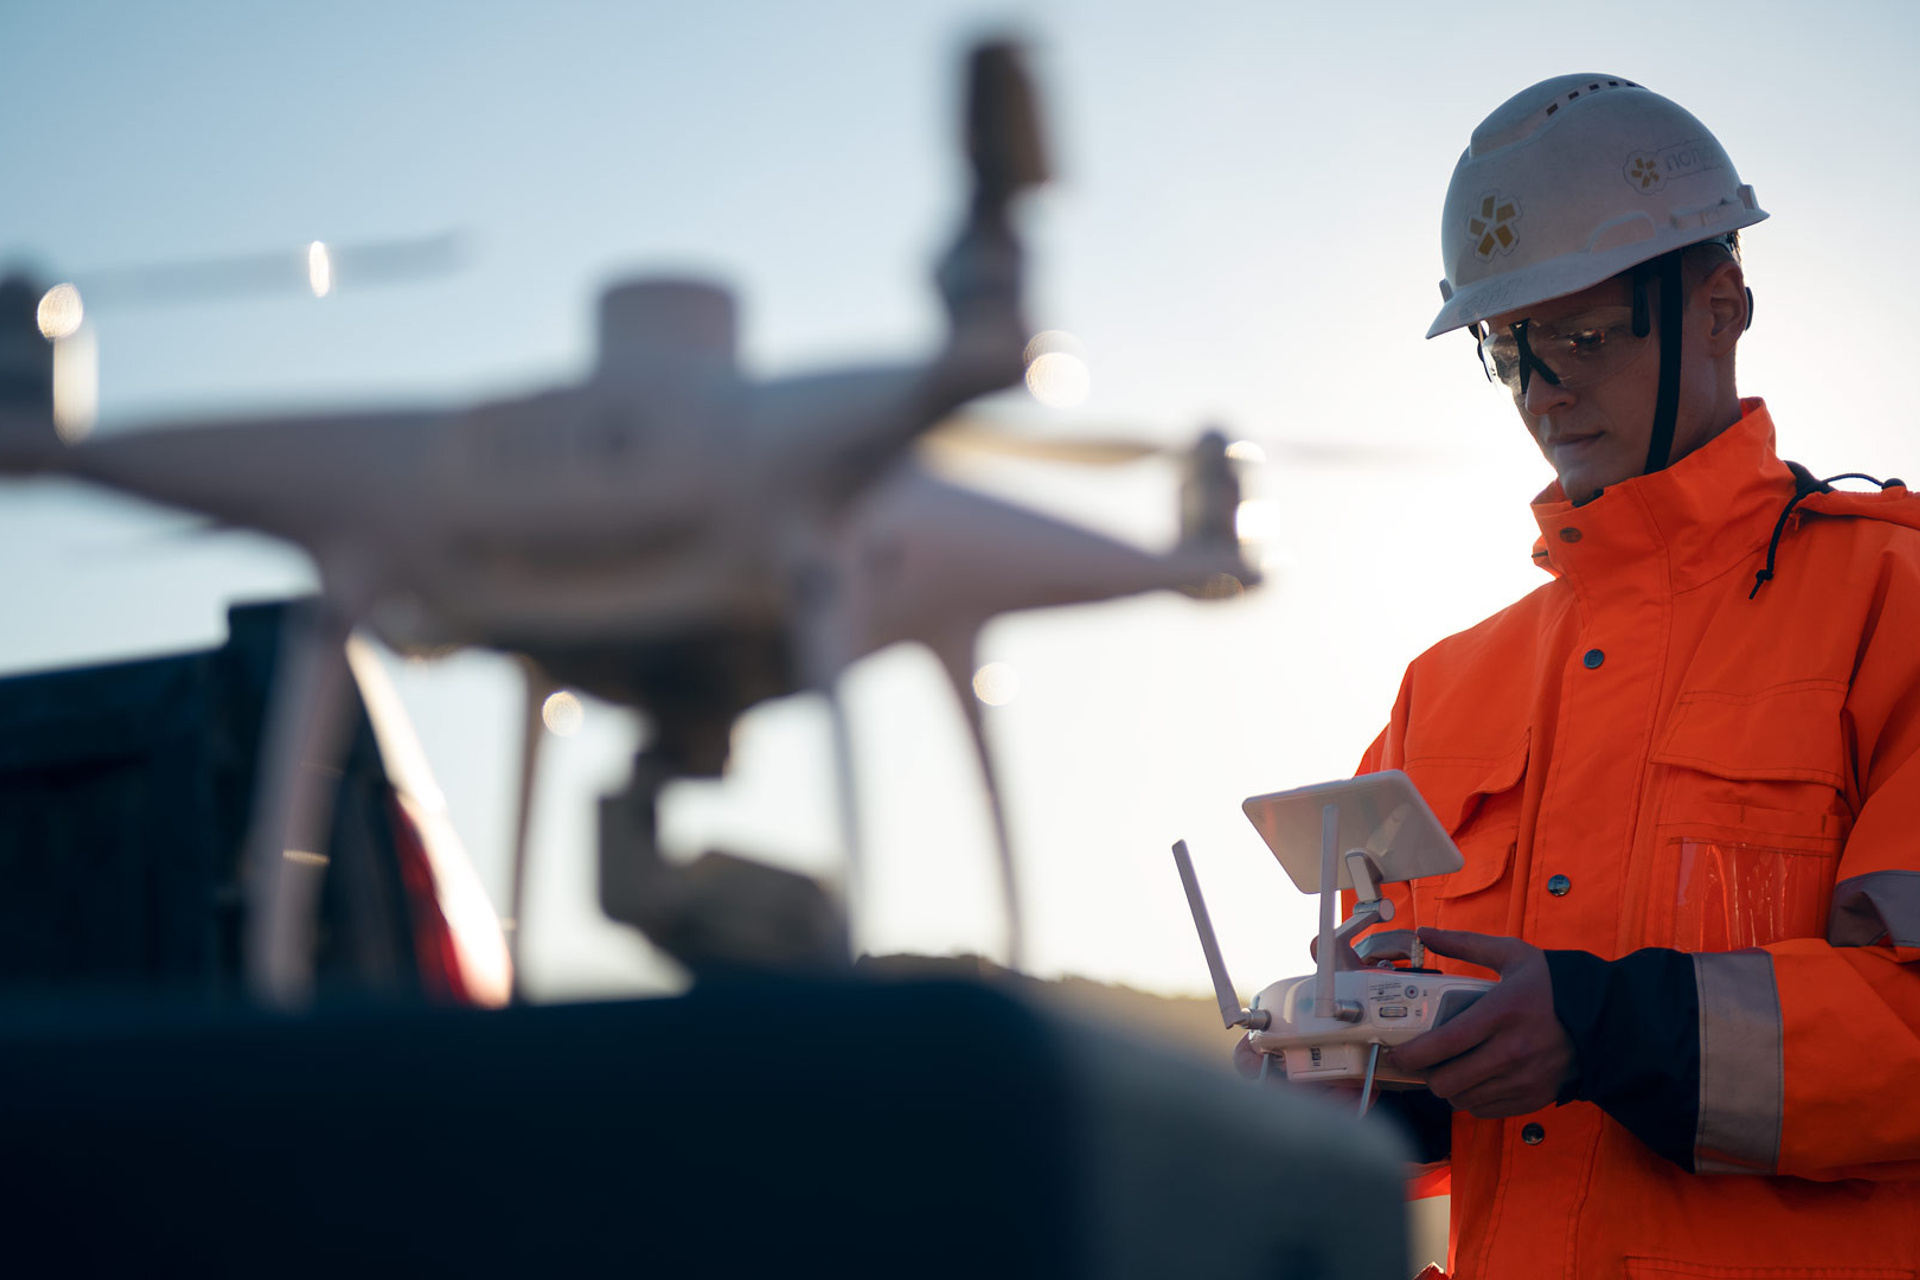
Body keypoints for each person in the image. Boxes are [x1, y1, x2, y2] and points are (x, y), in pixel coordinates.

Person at [1330, 74, 1920, 1277]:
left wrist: (1607, 1028)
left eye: (1584, 335)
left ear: (1719, 306)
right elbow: (1419, 1074)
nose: (1544, 391)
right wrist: (1339, 1078)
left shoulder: (1894, 606)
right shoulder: (1438, 691)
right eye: (1510, 349)